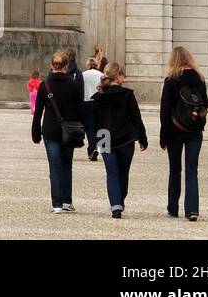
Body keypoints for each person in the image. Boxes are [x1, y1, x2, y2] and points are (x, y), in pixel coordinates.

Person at [92, 63, 148, 217]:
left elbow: (93, 122)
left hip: (104, 136)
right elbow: (136, 118)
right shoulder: (127, 95)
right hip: (125, 136)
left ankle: (115, 205)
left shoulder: (98, 97)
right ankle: (120, 201)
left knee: (112, 173)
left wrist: (93, 142)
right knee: (123, 172)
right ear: (119, 76)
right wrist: (143, 138)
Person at [31, 50, 84, 213]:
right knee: (67, 165)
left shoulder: (44, 85)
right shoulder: (74, 85)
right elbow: (80, 110)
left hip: (50, 130)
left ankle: (57, 203)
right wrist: (81, 130)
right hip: (69, 130)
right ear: (66, 66)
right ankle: (67, 201)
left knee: (54, 167)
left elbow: (38, 111)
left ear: (51, 66)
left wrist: (35, 132)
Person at [159, 45, 208, 221]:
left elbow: (164, 111)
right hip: (194, 129)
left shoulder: (171, 80)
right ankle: (192, 210)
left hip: (174, 130)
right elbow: (205, 105)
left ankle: (173, 208)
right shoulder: (199, 79)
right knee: (192, 169)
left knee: (175, 169)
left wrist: (163, 136)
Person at [81, 51, 105, 161]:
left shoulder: (83, 75)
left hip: (87, 103)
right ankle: (104, 150)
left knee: (90, 128)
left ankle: (92, 149)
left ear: (87, 65)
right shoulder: (102, 75)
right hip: (100, 102)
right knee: (101, 127)